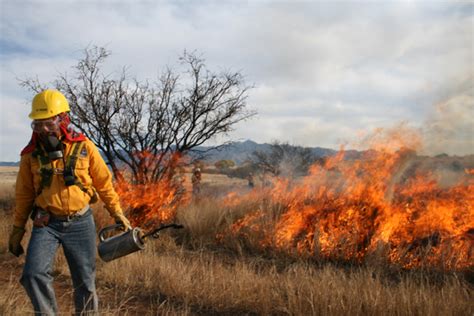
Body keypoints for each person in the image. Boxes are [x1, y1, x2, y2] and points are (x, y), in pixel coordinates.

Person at [8, 89, 132, 315]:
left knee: (85, 282)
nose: (44, 130)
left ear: (63, 119)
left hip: (80, 223)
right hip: (46, 224)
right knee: (32, 274)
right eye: (38, 124)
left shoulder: (85, 147)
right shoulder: (30, 155)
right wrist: (17, 229)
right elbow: (24, 194)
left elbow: (104, 183)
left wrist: (117, 213)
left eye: (49, 123)